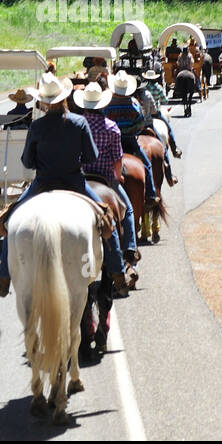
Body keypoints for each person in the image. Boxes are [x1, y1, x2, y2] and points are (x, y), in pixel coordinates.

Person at [0, 73, 102, 298]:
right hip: (74, 183)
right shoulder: (79, 122)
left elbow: (27, 162)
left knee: (11, 224)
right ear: (64, 98)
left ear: (44, 102)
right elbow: (92, 156)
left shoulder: (37, 126)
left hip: (42, 185)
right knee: (108, 219)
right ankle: (118, 272)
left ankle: (3, 279)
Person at [75, 82, 135, 295]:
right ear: (101, 104)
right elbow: (117, 161)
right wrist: (117, 177)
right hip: (106, 179)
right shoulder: (111, 127)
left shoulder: (77, 123)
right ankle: (129, 252)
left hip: (78, 179)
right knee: (127, 210)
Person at [101, 71, 158, 223]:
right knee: (146, 165)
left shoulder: (107, 103)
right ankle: (151, 194)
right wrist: (133, 130)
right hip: (130, 142)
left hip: (112, 142)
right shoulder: (134, 103)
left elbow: (103, 120)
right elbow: (140, 123)